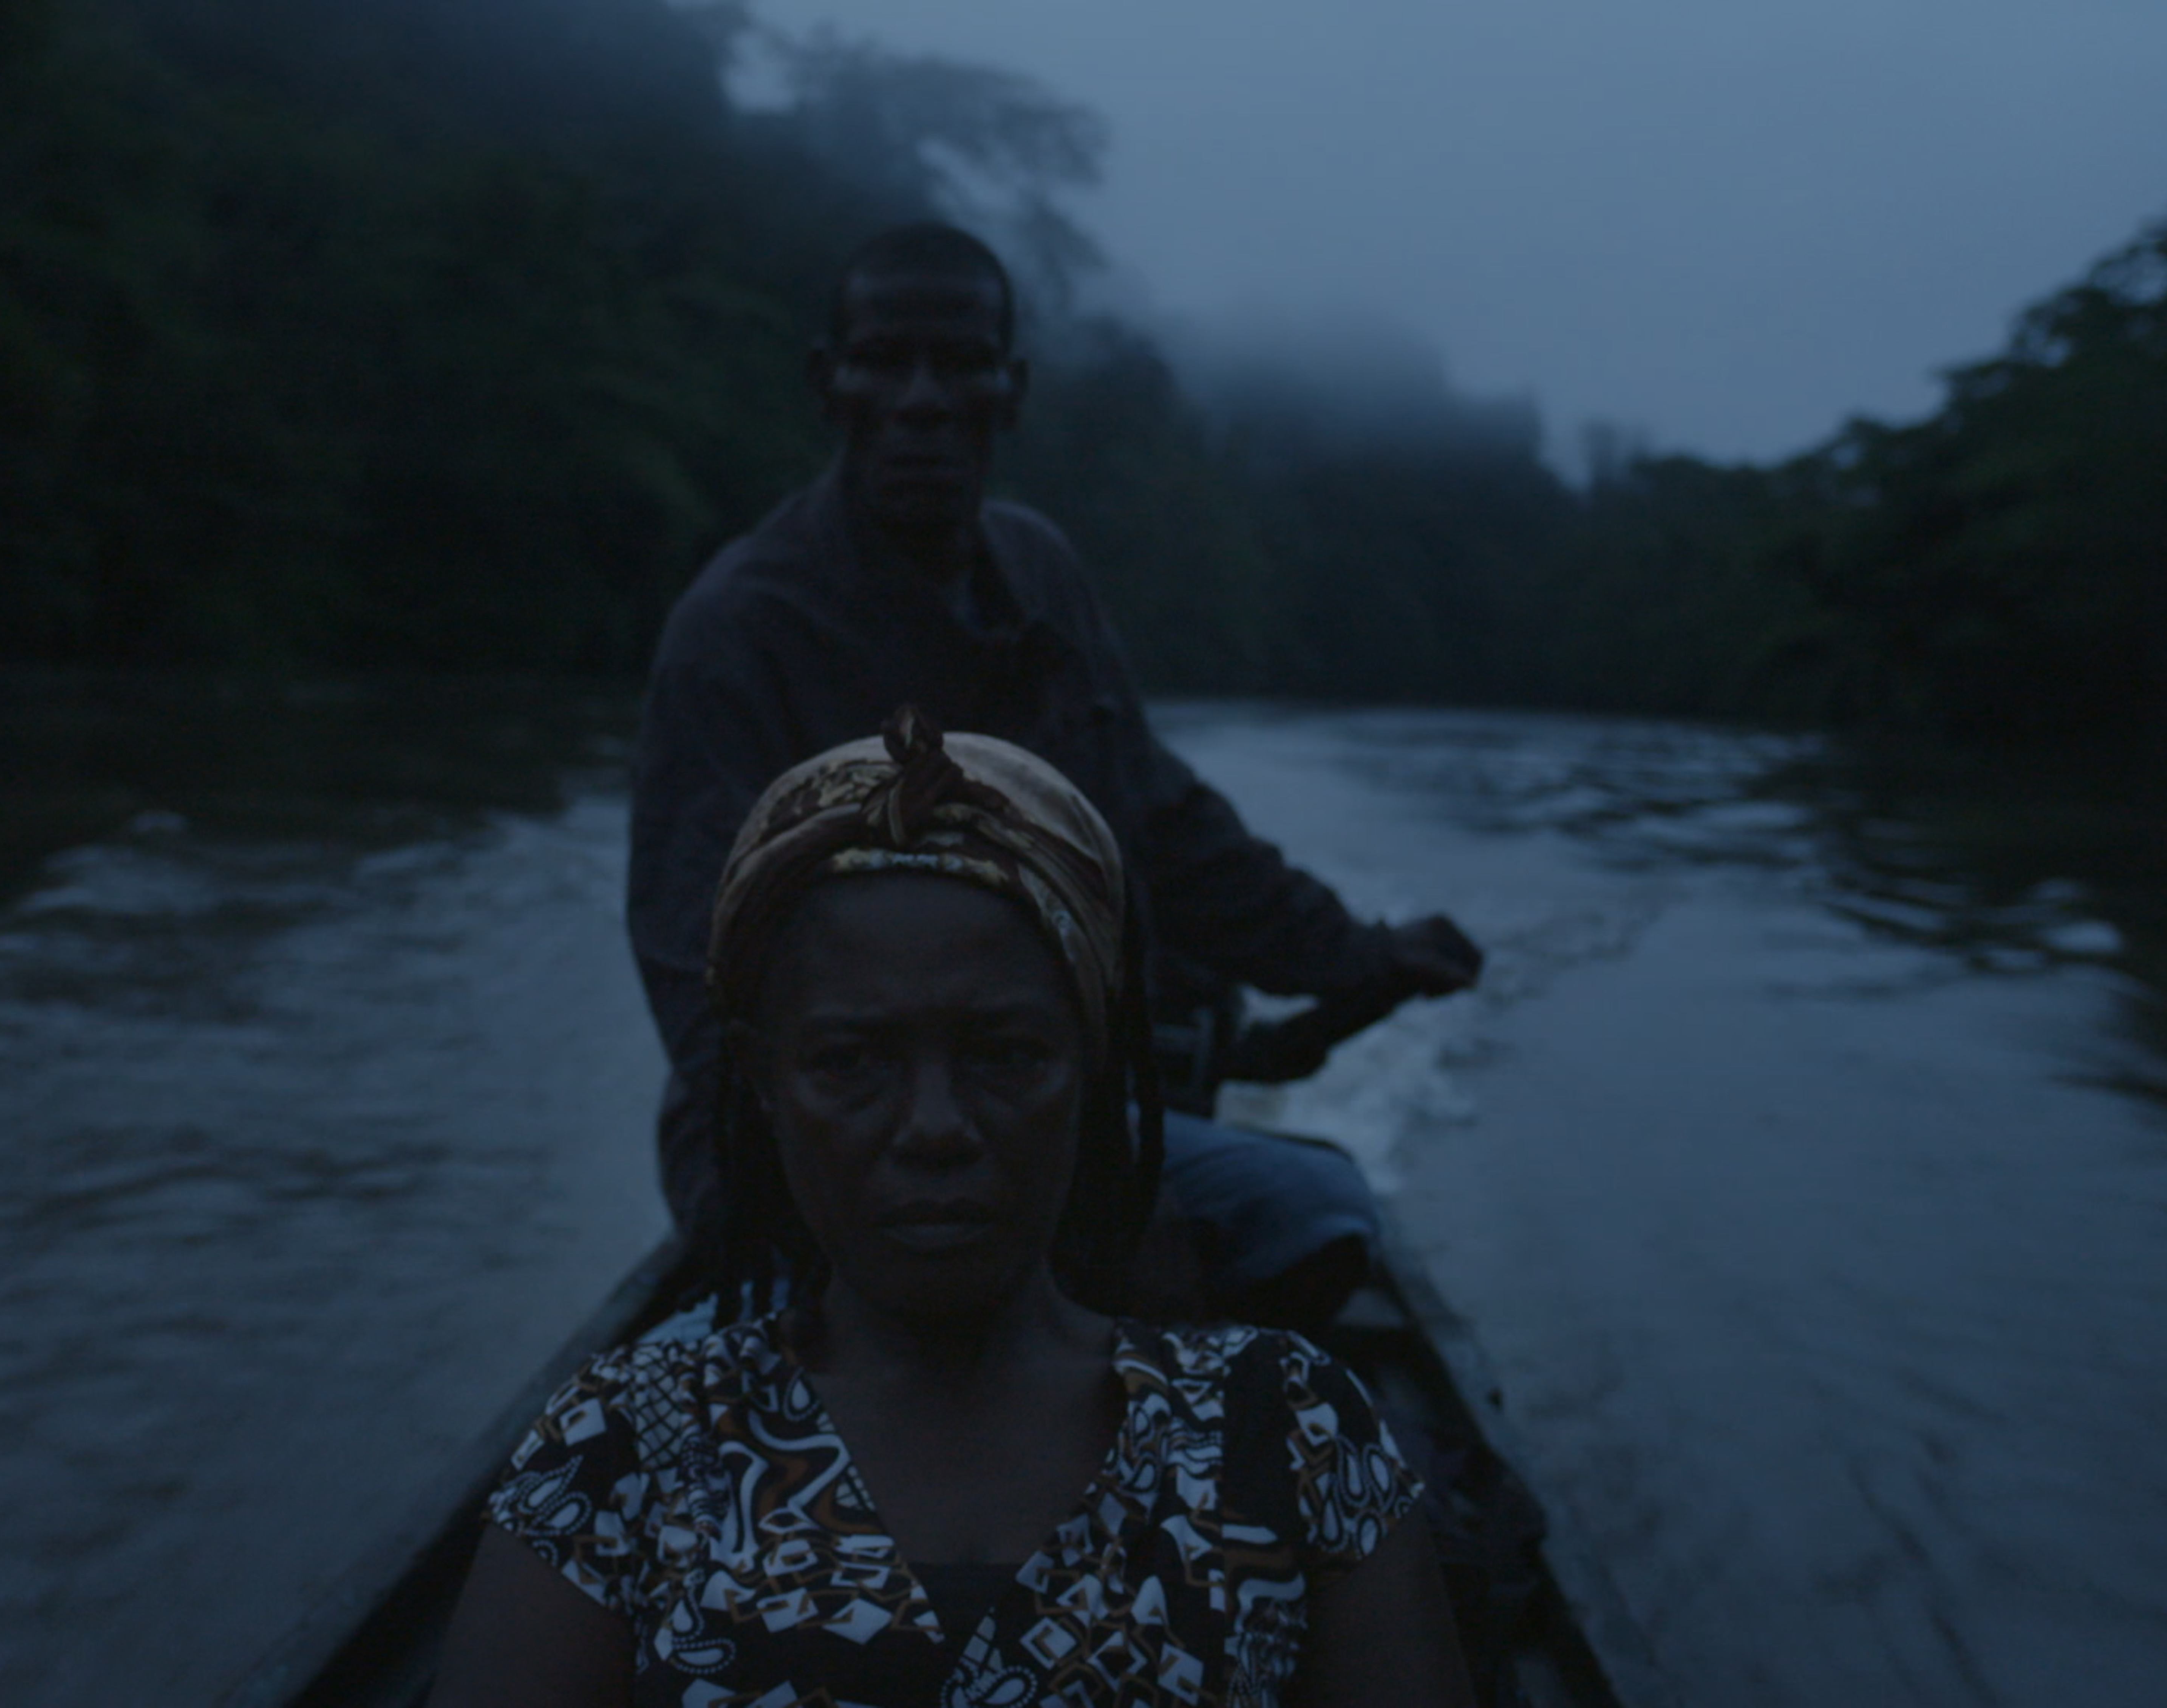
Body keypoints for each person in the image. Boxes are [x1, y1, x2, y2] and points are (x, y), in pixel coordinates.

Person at [436, 711, 1473, 1705]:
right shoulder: (622, 1443)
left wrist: (1358, 955)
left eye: (1006, 1054)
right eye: (850, 1061)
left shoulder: (1291, 1429)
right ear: (761, 1079)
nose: (935, 1125)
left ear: (1094, 1065)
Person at [628, 221, 1482, 1322]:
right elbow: (692, 958)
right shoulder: (742, 628)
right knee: (876, 1340)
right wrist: (868, 1167)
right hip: (811, 1143)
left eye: (961, 364)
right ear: (827, 384)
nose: (925, 402)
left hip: (1031, 1109)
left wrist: (1357, 951)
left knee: (1322, 1214)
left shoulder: (1040, 572)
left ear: (1011, 389)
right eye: (885, 362)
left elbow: (1165, 823)